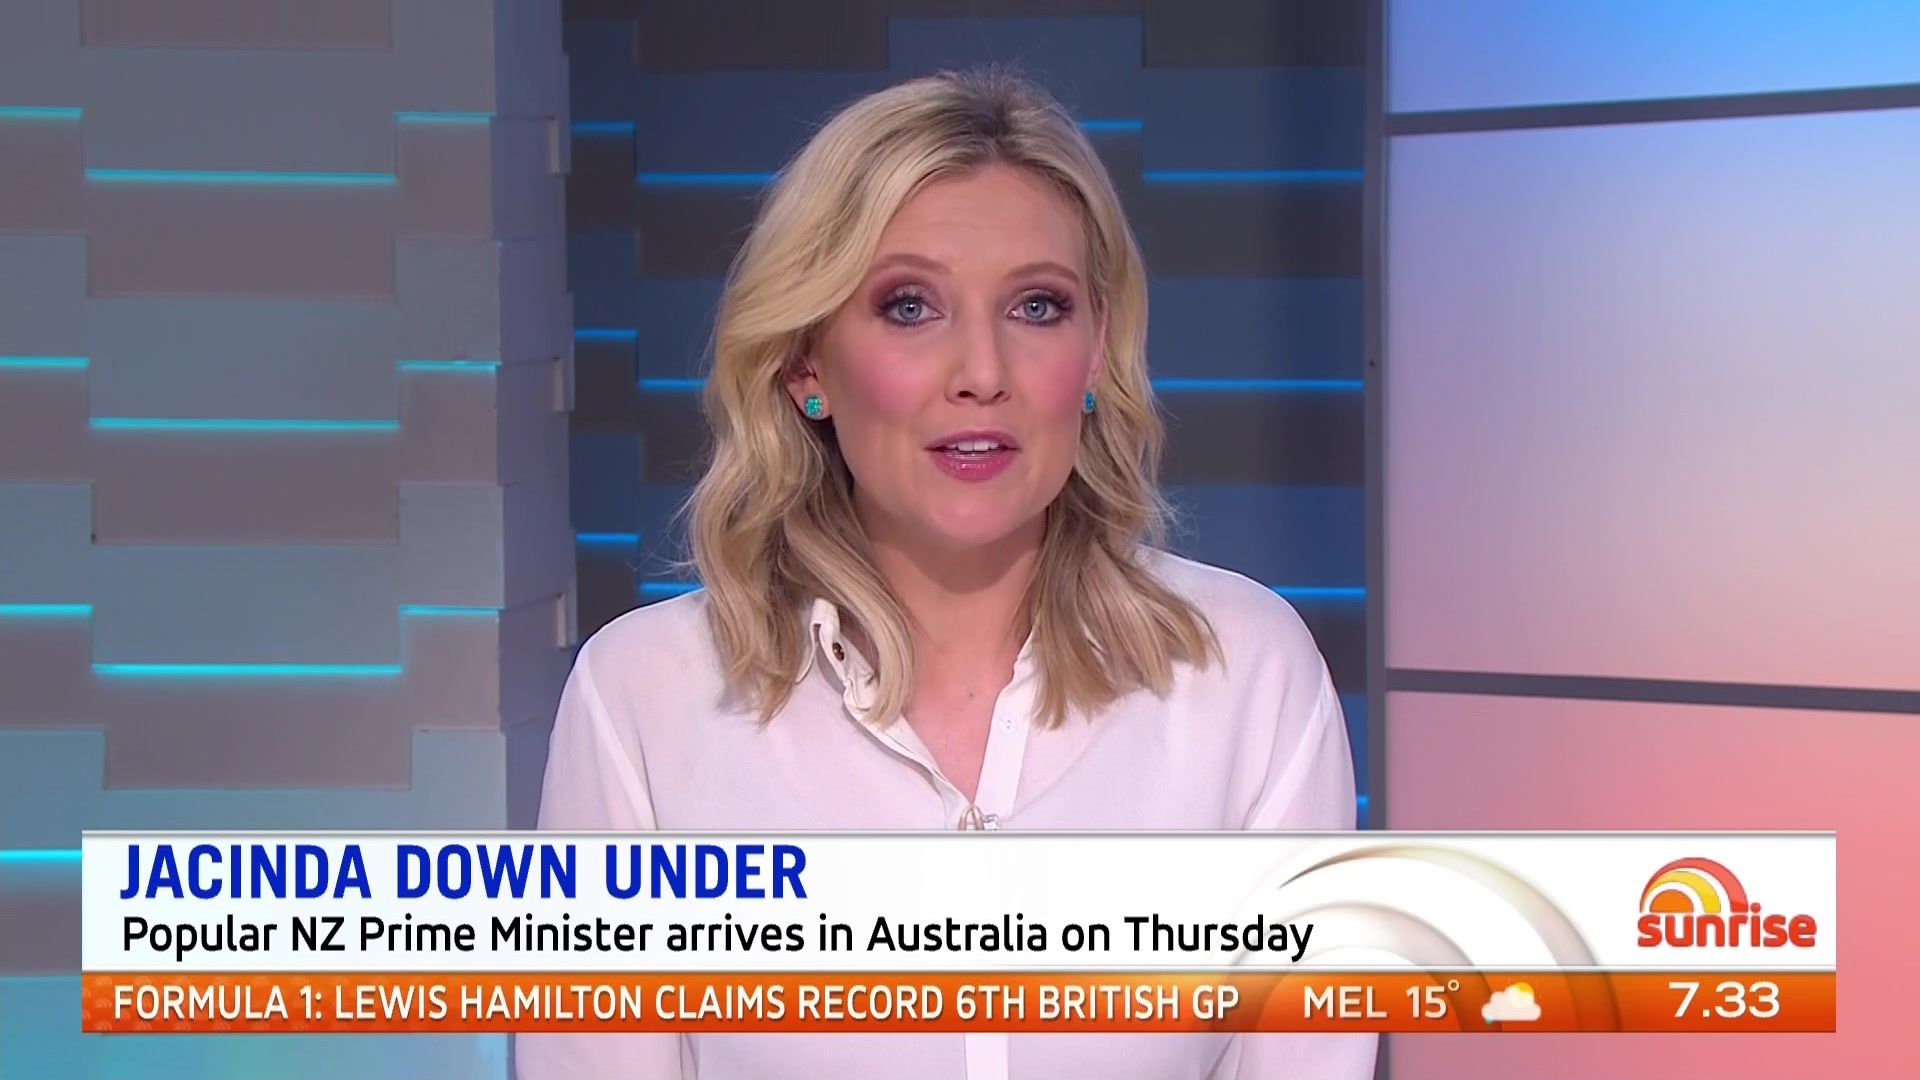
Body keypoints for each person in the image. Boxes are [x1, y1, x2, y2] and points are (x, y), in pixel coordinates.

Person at [519, 66, 1375, 1080]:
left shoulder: (1243, 675)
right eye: (910, 306)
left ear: (1096, 350)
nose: (982, 372)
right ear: (805, 363)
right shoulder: (646, 699)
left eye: (1038, 307)